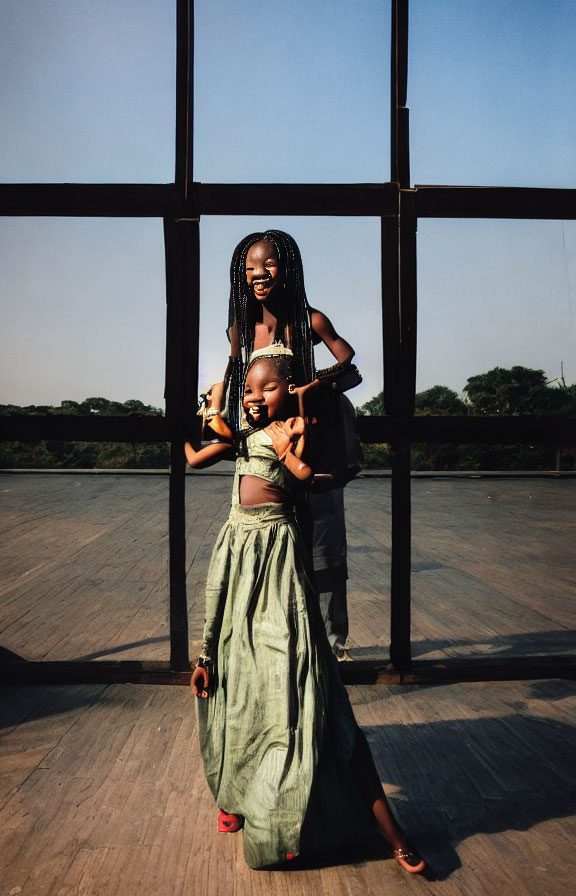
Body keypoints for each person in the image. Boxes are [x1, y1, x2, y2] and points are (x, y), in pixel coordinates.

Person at [185, 347, 425, 873]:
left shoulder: (296, 429)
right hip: (240, 577)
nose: (254, 398)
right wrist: (204, 650)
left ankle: (391, 832)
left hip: (284, 578)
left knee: (316, 703)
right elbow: (219, 567)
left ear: (289, 390)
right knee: (239, 696)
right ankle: (239, 800)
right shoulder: (246, 442)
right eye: (250, 390)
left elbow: (315, 470)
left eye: (266, 389)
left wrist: (296, 427)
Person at [212, 229, 361, 658]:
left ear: (287, 268)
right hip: (263, 446)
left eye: (268, 266)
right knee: (269, 537)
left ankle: (333, 646)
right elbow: (238, 381)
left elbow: (348, 363)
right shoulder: (239, 328)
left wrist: (308, 391)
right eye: (250, 269)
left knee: (322, 538)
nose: (259, 275)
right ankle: (274, 642)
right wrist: (215, 410)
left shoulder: (310, 320)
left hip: (306, 441)